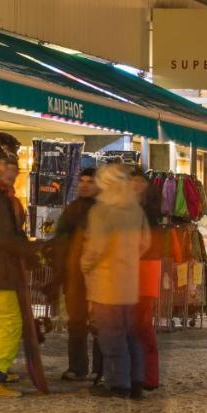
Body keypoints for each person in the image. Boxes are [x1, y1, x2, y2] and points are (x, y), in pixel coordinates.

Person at [80, 163, 150, 399]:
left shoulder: (101, 211)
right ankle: (136, 379)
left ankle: (118, 384)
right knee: (131, 333)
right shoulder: (135, 210)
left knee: (111, 335)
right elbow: (145, 243)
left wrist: (85, 266)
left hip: (106, 284)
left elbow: (95, 248)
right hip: (130, 283)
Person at [49, 165, 97, 382]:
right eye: (82, 181)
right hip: (74, 276)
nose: (85, 185)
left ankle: (100, 368)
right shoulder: (72, 209)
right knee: (76, 323)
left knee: (99, 324)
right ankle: (77, 367)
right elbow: (60, 239)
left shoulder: (102, 211)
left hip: (96, 276)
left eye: (90, 182)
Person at [0, 132, 36, 397]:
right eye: (8, 164)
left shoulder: (6, 197)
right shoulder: (1, 199)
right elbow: (7, 237)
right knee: (10, 322)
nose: (12, 170)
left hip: (5, 269)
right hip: (2, 271)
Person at [131, 168, 162, 390]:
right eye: (131, 183)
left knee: (142, 325)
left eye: (139, 183)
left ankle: (148, 376)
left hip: (145, 269)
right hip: (134, 269)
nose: (135, 186)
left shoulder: (148, 211)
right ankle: (141, 374)